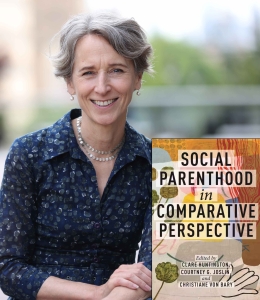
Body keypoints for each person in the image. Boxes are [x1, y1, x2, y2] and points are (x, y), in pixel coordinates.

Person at [0, 12, 153, 300]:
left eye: (117, 70)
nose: (102, 86)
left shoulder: (157, 164)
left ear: (138, 78)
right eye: (88, 72)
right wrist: (96, 293)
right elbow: (8, 270)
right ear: (70, 83)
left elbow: (154, 269)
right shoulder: (29, 154)